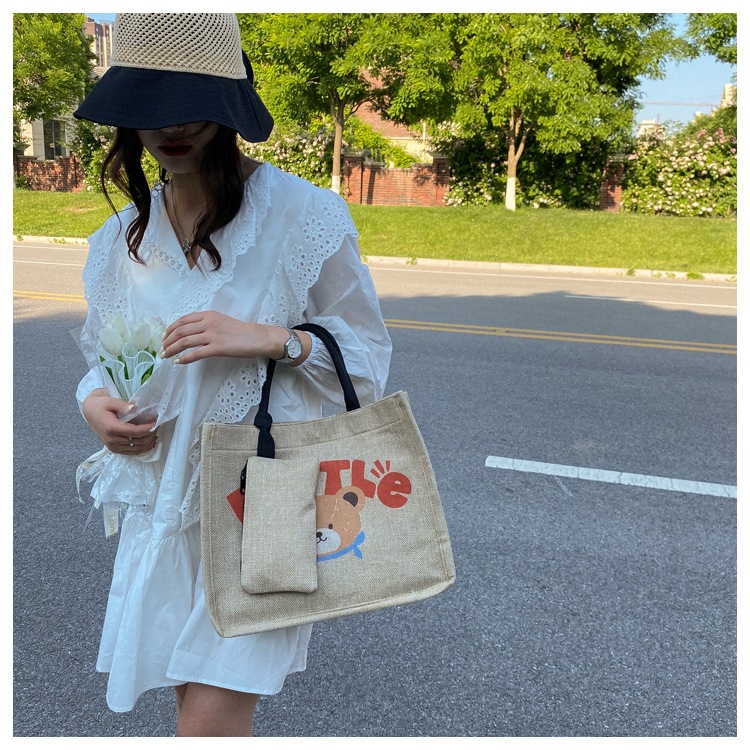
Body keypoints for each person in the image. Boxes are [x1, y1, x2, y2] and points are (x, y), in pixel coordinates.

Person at [73, 13, 391, 737]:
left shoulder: (305, 217)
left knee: (205, 726)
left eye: (190, 103)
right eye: (149, 107)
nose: (169, 127)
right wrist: (95, 404)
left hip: (262, 509)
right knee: (193, 713)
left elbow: (367, 366)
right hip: (163, 510)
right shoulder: (118, 241)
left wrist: (273, 340)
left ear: (228, 105)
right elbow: (102, 360)